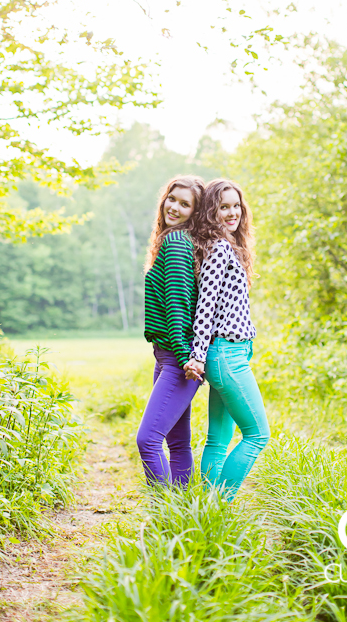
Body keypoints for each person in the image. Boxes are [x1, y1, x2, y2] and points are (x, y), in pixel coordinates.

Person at [184, 178, 270, 501]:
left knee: (218, 439)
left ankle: (207, 509)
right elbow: (205, 306)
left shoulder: (227, 246)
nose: (232, 213)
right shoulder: (220, 248)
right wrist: (198, 355)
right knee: (257, 434)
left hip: (230, 354)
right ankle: (221, 503)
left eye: (236, 206)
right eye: (224, 207)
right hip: (226, 356)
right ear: (211, 211)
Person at [136, 175, 205, 487]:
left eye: (185, 203)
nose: (174, 207)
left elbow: (178, 308)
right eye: (172, 198)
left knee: (148, 440)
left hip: (178, 360)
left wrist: (182, 358)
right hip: (170, 357)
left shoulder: (176, 244)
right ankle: (181, 513)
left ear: (195, 212)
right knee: (177, 444)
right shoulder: (176, 242)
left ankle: (165, 514)